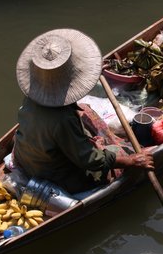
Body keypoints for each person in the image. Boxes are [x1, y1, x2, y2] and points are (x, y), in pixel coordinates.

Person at [10, 28, 154, 197]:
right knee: (119, 152)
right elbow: (89, 160)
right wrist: (130, 161)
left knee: (84, 110)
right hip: (57, 175)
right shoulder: (63, 118)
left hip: (26, 158)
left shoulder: (33, 96)